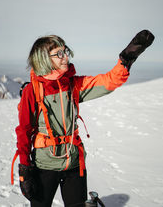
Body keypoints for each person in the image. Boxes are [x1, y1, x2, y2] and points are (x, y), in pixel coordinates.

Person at [14, 31, 154, 207]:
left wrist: (127, 58)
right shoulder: (32, 91)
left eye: (65, 51)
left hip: (74, 163)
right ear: (44, 59)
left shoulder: (73, 84)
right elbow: (24, 131)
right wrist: (25, 170)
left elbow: (109, 81)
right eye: (59, 53)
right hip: (44, 166)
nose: (65, 57)